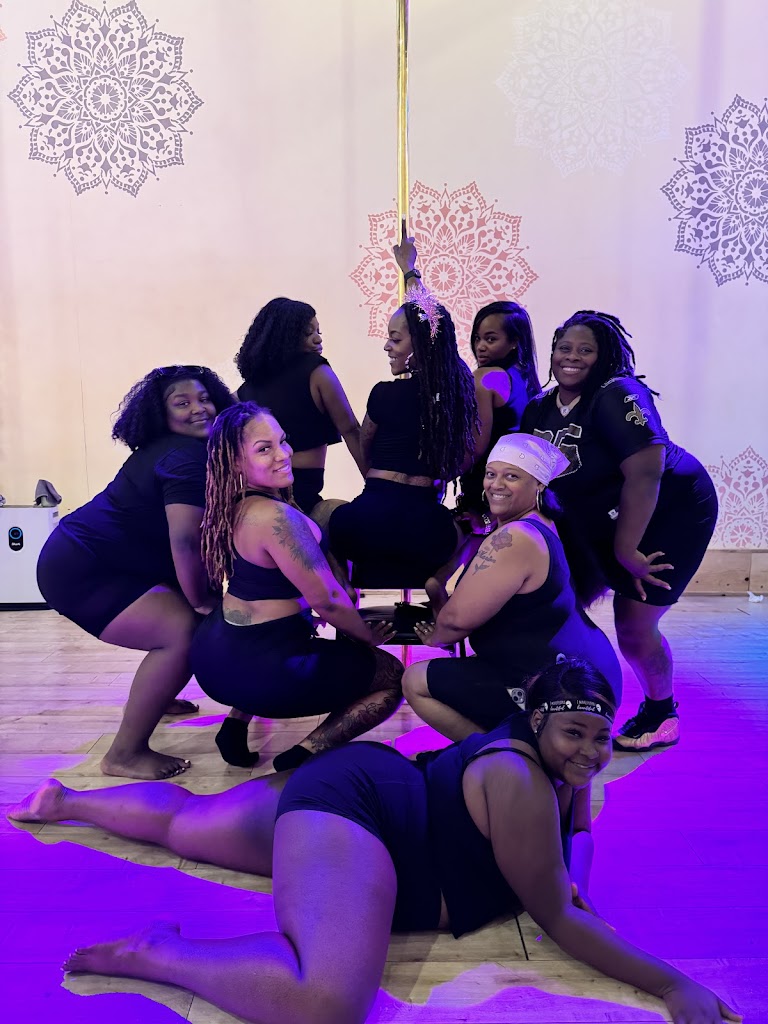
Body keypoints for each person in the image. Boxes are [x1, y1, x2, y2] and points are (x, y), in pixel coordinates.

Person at [8, 659, 739, 1024]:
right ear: (540, 722)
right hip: (362, 814)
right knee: (326, 1000)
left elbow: (578, 828)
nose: (591, 752)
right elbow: (558, 918)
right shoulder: (520, 777)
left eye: (602, 737)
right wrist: (671, 984)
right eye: (575, 733)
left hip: (375, 787)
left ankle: (66, 801)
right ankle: (155, 953)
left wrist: (572, 873)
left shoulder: (561, 758)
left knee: (187, 826)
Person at [520, 311, 718, 751]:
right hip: (604, 514)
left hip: (671, 509)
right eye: (564, 348)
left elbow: (647, 471)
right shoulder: (541, 407)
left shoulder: (617, 393)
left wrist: (627, 550)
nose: (572, 357)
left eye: (585, 350)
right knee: (560, 604)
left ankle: (661, 713)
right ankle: (562, 701)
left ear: (604, 355)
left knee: (632, 623)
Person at [36, 366, 234, 780]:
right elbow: (185, 541)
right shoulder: (185, 458)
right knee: (181, 633)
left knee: (185, 621)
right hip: (82, 567)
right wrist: (201, 600)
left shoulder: (183, 449)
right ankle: (123, 755)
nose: (198, 409)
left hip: (103, 559)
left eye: (204, 398)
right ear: (161, 415)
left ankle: (157, 695)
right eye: (182, 403)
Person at [190, 403, 404, 772]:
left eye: (283, 441)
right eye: (264, 448)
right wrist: (366, 636)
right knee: (392, 676)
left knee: (296, 642)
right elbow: (328, 601)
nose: (283, 454)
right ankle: (305, 753)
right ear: (235, 463)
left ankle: (234, 726)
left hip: (216, 651)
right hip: (259, 665)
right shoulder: (275, 517)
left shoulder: (234, 505)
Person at [403, 434, 622, 739]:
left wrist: (437, 636)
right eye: (491, 474)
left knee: (414, 679)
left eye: (512, 476)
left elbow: (454, 624)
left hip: (564, 692)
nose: (496, 484)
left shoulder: (516, 537)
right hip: (587, 676)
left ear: (539, 485)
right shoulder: (542, 522)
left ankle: (499, 753)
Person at [329, 239, 477, 587]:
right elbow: (432, 321)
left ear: (420, 345)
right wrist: (409, 272)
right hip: (426, 530)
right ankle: (438, 581)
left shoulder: (384, 393)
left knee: (326, 521)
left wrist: (377, 485)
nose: (386, 346)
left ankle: (343, 589)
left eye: (395, 340)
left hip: (365, 524)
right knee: (474, 531)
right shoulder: (458, 390)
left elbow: (365, 446)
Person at [235, 298, 365, 513]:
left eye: (318, 332)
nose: (318, 339)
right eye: (307, 333)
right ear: (284, 336)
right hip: (302, 494)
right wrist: (374, 487)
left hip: (256, 496)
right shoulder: (317, 372)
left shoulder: (242, 393)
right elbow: (351, 431)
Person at [456, 301, 542, 529]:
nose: (480, 346)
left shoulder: (485, 378)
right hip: (518, 493)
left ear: (514, 342)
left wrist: (433, 478)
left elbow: (474, 449)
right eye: (477, 338)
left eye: (490, 339)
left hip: (487, 492)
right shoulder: (525, 380)